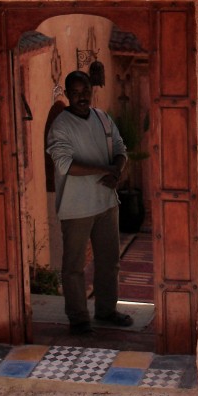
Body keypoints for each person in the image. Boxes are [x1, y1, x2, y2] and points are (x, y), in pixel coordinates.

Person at [46, 70, 133, 334]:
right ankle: (79, 318)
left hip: (106, 203)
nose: (82, 96)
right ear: (68, 95)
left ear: (90, 91)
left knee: (109, 261)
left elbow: (120, 148)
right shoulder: (61, 125)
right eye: (75, 92)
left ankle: (106, 311)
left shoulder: (102, 118)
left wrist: (116, 169)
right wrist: (104, 169)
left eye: (85, 91)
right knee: (74, 266)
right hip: (76, 208)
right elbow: (64, 165)